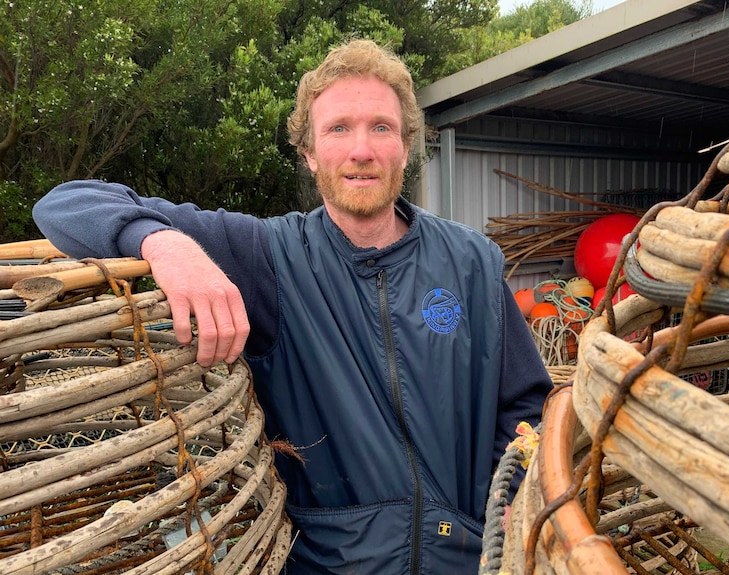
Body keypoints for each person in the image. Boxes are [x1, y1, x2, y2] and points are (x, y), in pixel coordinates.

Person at [33, 39, 552, 574]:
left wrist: (513, 493)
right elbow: (64, 204)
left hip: (469, 560)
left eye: (381, 127)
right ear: (309, 153)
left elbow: (526, 405)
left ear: (405, 145)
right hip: (327, 565)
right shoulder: (267, 256)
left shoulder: (473, 261)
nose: (361, 150)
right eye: (338, 129)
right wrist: (166, 244)